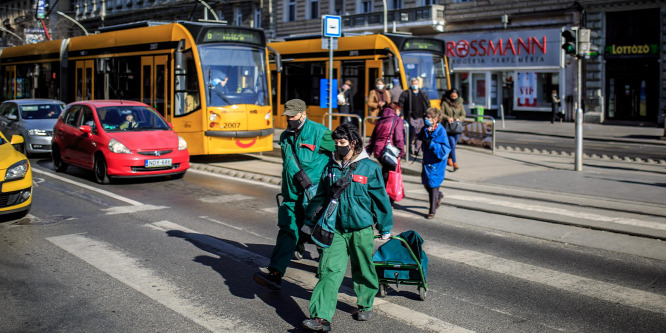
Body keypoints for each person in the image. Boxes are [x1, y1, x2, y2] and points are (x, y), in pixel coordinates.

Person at [301, 123, 393, 332]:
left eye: (342, 143)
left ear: (353, 142)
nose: (338, 147)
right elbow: (321, 197)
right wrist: (308, 221)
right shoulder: (330, 166)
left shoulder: (370, 168)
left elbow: (380, 200)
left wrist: (385, 226)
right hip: (335, 229)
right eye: (336, 143)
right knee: (328, 270)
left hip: (361, 229)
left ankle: (365, 302)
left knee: (363, 268)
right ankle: (321, 318)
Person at [253, 99, 335, 291]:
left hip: (313, 197)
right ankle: (275, 273)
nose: (290, 119)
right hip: (291, 195)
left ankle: (326, 275)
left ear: (303, 114)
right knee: (287, 230)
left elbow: (343, 150)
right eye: (287, 115)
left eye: (293, 115)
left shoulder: (320, 133)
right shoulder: (285, 136)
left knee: (320, 235)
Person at [418, 108, 451, 219]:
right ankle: (439, 196)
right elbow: (420, 137)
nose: (426, 119)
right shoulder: (426, 129)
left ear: (436, 119)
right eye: (426, 116)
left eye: (429, 117)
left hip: (436, 163)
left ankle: (432, 210)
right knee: (425, 182)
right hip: (427, 160)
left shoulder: (441, 131)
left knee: (433, 186)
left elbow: (445, 149)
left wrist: (431, 144)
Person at [366, 102, 405, 192]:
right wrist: (401, 152)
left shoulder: (380, 120)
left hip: (378, 150)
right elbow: (399, 138)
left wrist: (369, 150)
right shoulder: (397, 119)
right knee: (391, 174)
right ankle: (386, 197)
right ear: (396, 110)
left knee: (386, 171)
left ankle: (381, 194)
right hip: (389, 151)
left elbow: (373, 136)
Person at [398, 77, 430, 155]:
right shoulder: (406, 93)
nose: (415, 85)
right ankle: (409, 149)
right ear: (411, 84)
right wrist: (401, 114)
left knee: (420, 134)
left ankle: (418, 149)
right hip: (410, 117)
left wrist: (428, 114)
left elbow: (428, 104)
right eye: (413, 84)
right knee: (411, 134)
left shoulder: (423, 93)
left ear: (418, 84)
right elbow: (400, 105)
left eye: (416, 84)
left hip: (421, 117)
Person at [440, 88, 465, 171]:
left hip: (457, 127)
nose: (454, 97)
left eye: (455, 96)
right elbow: (441, 113)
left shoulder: (460, 103)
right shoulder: (445, 103)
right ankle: (455, 163)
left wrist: (459, 118)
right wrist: (448, 118)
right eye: (452, 96)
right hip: (448, 127)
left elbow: (463, 114)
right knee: (452, 144)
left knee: (453, 145)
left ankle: (449, 158)